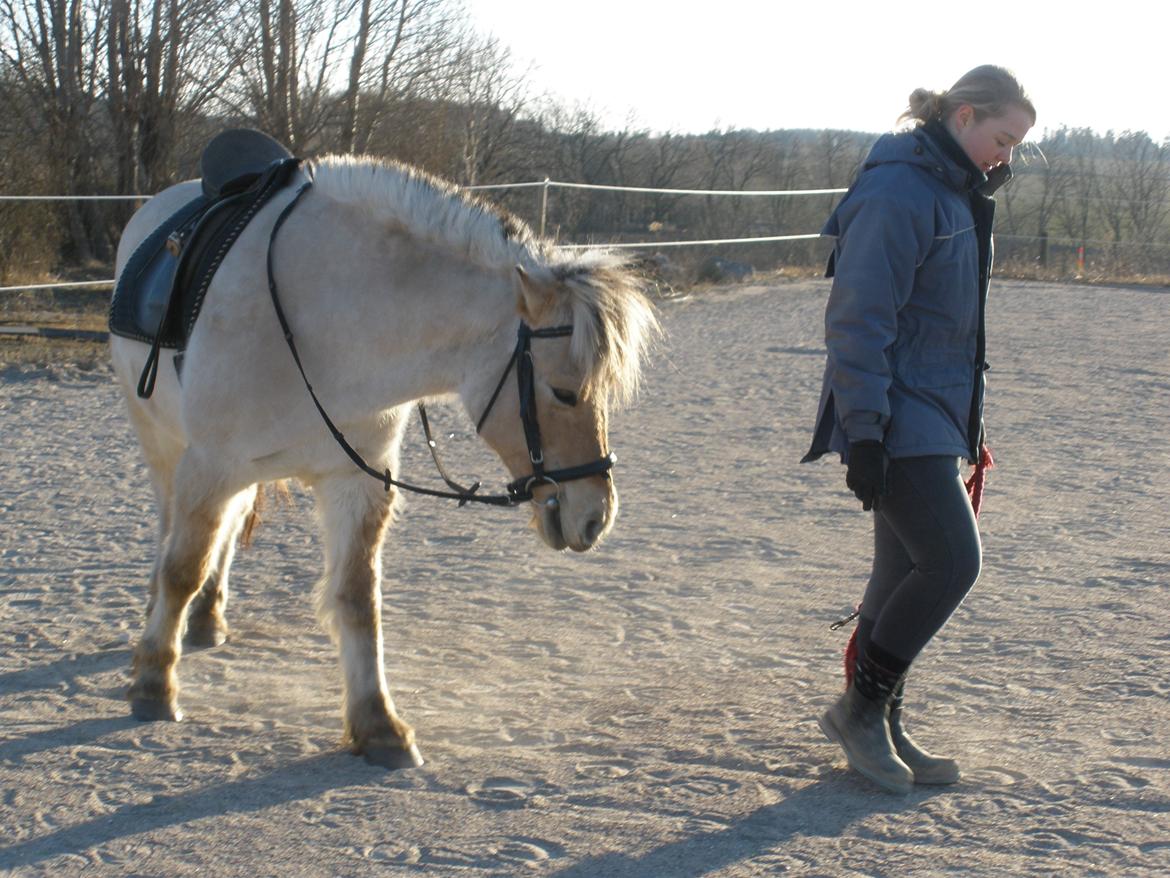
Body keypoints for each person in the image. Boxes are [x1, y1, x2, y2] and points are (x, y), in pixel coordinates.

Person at [802, 65, 1036, 792]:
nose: (1007, 158)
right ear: (963, 117)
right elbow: (860, 318)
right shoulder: (901, 191)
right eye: (1001, 139)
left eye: (1016, 147)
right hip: (895, 416)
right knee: (952, 563)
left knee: (901, 571)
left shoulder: (949, 190)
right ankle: (861, 711)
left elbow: (950, 327)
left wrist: (971, 420)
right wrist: (866, 430)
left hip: (929, 412)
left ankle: (883, 721)